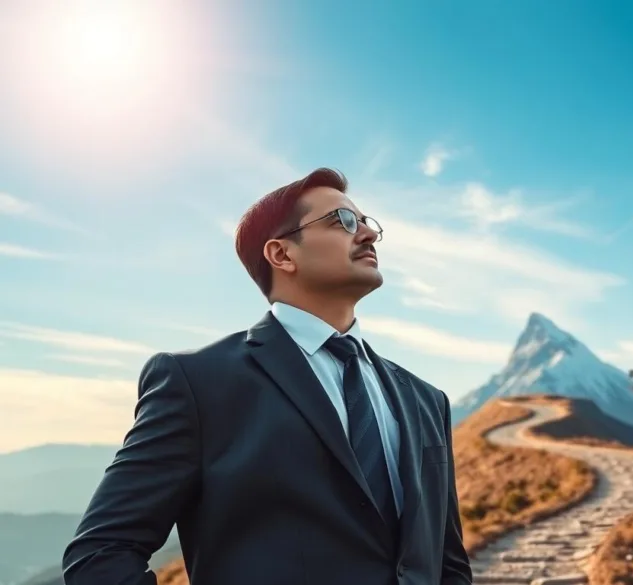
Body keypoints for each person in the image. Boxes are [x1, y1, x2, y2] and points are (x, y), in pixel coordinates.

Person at [62, 168, 473, 585]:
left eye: (367, 223)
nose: (367, 234)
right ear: (281, 254)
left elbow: (449, 565)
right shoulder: (198, 382)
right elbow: (101, 554)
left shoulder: (426, 399)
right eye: (344, 221)